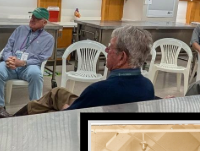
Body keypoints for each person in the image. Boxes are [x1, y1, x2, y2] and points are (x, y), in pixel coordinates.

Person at [14, 26, 155, 115]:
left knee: (39, 107)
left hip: (82, 124)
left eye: (110, 47)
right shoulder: (148, 86)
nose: (106, 50)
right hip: (101, 108)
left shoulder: (99, 90)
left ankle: (13, 120)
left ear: (122, 57)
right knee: (57, 92)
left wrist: (67, 109)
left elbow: (70, 118)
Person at [0, 8, 54, 117]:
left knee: (36, 74)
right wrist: (8, 59)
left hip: (29, 66)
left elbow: (41, 58)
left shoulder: (48, 38)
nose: (32, 20)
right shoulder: (20, 29)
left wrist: (23, 62)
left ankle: (35, 108)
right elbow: (8, 48)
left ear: (44, 22)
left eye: (36, 18)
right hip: (11, 64)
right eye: (32, 17)